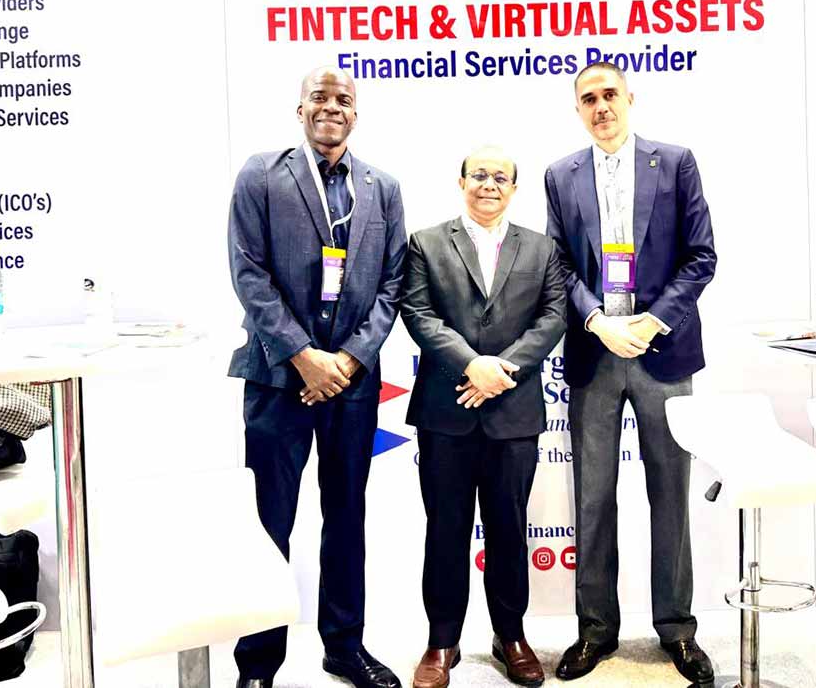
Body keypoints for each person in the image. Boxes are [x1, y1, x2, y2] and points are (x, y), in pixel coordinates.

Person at [227, 66, 406, 688]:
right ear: (300, 108)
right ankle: (257, 664)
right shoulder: (260, 174)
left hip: (352, 385)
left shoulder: (382, 188)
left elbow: (392, 284)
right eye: (320, 97)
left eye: (344, 99)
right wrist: (304, 355)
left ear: (356, 113)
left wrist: (348, 360)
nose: (332, 107)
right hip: (278, 379)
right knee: (269, 521)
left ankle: (344, 647)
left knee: (346, 516)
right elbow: (248, 274)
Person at [543, 62, 717, 684]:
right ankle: (595, 630)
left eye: (609, 94)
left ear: (630, 98)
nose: (601, 107)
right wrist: (596, 321)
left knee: (670, 494)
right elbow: (558, 264)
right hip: (595, 353)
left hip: (661, 352)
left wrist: (653, 320)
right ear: (578, 109)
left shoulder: (675, 163)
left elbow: (701, 257)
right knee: (593, 498)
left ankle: (677, 629)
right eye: (588, 99)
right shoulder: (560, 175)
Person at [400, 146, 566, 688]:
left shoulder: (541, 248)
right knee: (445, 530)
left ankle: (510, 636)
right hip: (445, 412)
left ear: (514, 189)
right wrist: (473, 364)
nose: (489, 184)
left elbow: (553, 316)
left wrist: (503, 369)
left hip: (513, 413)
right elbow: (417, 312)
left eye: (500, 177)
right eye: (479, 175)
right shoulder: (426, 242)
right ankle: (441, 641)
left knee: (509, 530)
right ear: (461, 182)